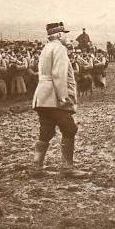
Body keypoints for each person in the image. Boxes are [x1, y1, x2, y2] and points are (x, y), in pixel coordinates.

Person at [30, 22, 87, 178]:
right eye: (65, 34)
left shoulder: (46, 48)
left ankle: (37, 166)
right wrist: (63, 98)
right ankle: (67, 167)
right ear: (60, 35)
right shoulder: (60, 48)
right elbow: (59, 75)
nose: (67, 37)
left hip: (42, 98)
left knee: (46, 130)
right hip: (54, 97)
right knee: (70, 129)